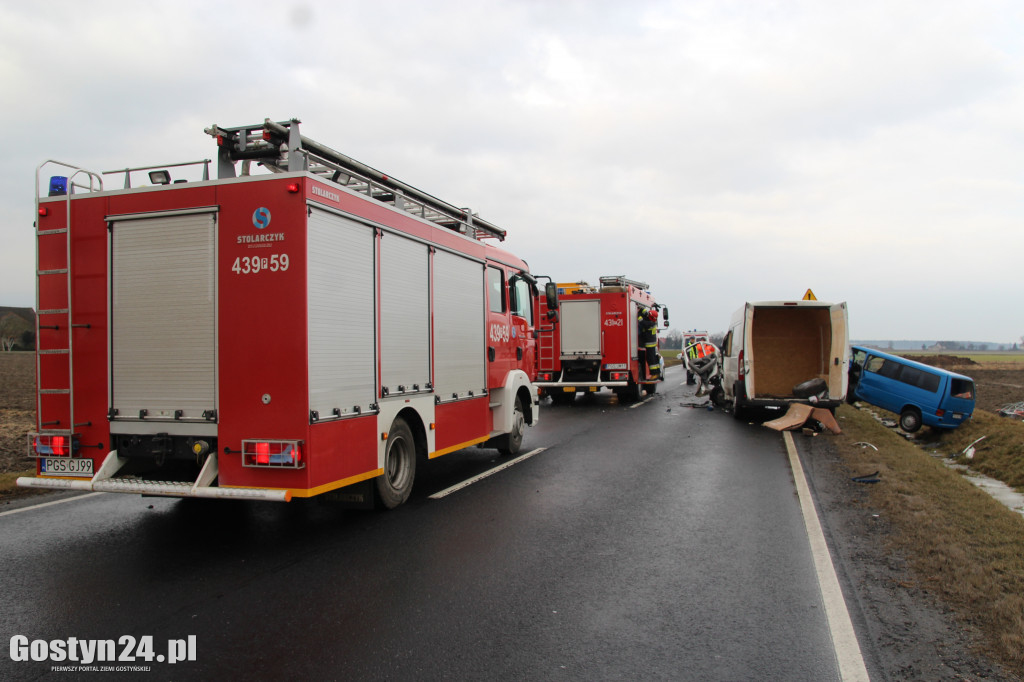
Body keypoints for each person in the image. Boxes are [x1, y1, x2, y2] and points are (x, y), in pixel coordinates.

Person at [638, 307, 661, 381]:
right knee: (654, 358)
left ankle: (654, 374)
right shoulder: (653, 321)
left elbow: (641, 321)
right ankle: (657, 373)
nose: (647, 315)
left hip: (649, 344)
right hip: (651, 344)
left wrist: (638, 314)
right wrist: (642, 309)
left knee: (650, 359)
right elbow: (647, 313)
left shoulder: (650, 323)